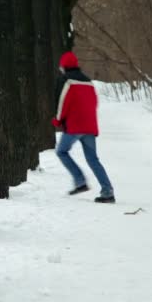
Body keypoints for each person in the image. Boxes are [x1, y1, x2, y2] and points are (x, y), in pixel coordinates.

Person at [52, 51, 115, 203]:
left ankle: (80, 181)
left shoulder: (66, 80)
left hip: (74, 125)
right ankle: (108, 192)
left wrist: (58, 120)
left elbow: (62, 102)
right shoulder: (88, 81)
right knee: (93, 159)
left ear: (64, 66)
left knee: (61, 151)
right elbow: (94, 102)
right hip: (89, 126)